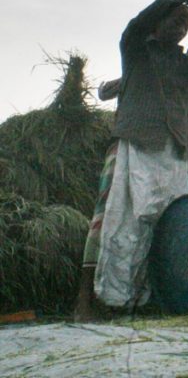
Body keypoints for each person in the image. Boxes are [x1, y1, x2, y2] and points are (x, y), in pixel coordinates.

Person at [95, 0, 188, 309]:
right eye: (176, 21)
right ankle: (119, 297)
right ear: (158, 23)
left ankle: (154, 296)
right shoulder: (136, 49)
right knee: (131, 219)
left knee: (168, 219)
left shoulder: (186, 66)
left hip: (174, 150)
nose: (182, 28)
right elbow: (137, 23)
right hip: (141, 141)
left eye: (186, 24)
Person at [73, 78, 121, 321]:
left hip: (154, 155)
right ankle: (85, 300)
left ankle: (112, 299)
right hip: (123, 148)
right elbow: (104, 91)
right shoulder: (138, 71)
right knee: (103, 218)